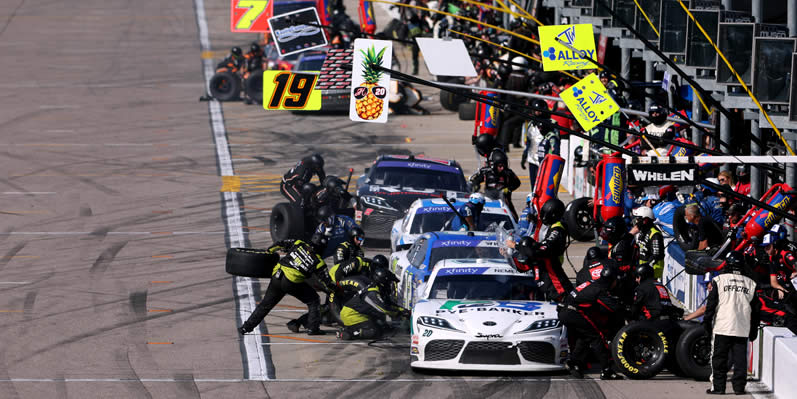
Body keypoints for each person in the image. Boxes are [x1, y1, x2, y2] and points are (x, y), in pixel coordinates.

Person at [239, 233, 337, 335]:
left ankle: (245, 328)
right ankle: (313, 329)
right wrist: (338, 289)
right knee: (314, 300)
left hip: (277, 276)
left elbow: (279, 244)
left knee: (265, 305)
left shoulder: (299, 243)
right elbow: (328, 283)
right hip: (291, 282)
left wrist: (268, 252)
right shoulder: (319, 262)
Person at [704, 251, 760, 395]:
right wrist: (753, 330)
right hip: (742, 328)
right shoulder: (751, 283)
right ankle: (739, 388)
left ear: (727, 264)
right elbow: (756, 311)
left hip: (722, 326)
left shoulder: (719, 280)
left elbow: (710, 306)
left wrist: (706, 324)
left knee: (719, 360)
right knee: (740, 361)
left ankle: (718, 388)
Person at [557, 266, 624, 380]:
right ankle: (606, 370)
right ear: (611, 280)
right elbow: (614, 308)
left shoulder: (592, 282)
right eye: (616, 280)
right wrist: (627, 309)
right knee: (597, 338)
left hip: (564, 310)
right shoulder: (601, 289)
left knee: (585, 337)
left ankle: (574, 363)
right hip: (572, 312)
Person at [506, 199, 573, 302]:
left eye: (544, 214)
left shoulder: (557, 230)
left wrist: (516, 245)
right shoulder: (551, 229)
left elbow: (539, 251)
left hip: (558, 289)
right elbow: (523, 266)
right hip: (548, 290)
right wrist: (508, 254)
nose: (542, 217)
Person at [337, 267, 409, 340]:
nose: (390, 285)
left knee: (384, 327)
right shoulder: (372, 293)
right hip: (351, 314)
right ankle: (348, 333)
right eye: (389, 283)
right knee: (374, 332)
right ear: (383, 282)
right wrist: (399, 313)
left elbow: (389, 304)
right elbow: (384, 309)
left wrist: (403, 310)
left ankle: (353, 328)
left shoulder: (377, 290)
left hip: (359, 313)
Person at [470, 149, 521, 220]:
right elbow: (475, 181)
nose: (502, 168)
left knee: (514, 219)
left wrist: (509, 189)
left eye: (503, 165)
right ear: (494, 165)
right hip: (488, 202)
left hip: (504, 202)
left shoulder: (508, 173)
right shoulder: (486, 172)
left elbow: (517, 183)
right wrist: (475, 186)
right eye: (500, 166)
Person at [520, 99, 551, 190]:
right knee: (533, 186)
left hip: (544, 159)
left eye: (539, 111)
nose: (537, 113)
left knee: (542, 186)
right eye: (535, 111)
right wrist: (524, 156)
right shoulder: (530, 124)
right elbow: (529, 142)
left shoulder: (550, 124)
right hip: (532, 158)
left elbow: (554, 142)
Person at [630, 206, 665, 279]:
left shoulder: (655, 234)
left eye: (638, 219)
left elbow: (657, 255)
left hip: (652, 271)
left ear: (645, 220)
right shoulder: (642, 231)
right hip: (642, 269)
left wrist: (645, 268)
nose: (636, 221)